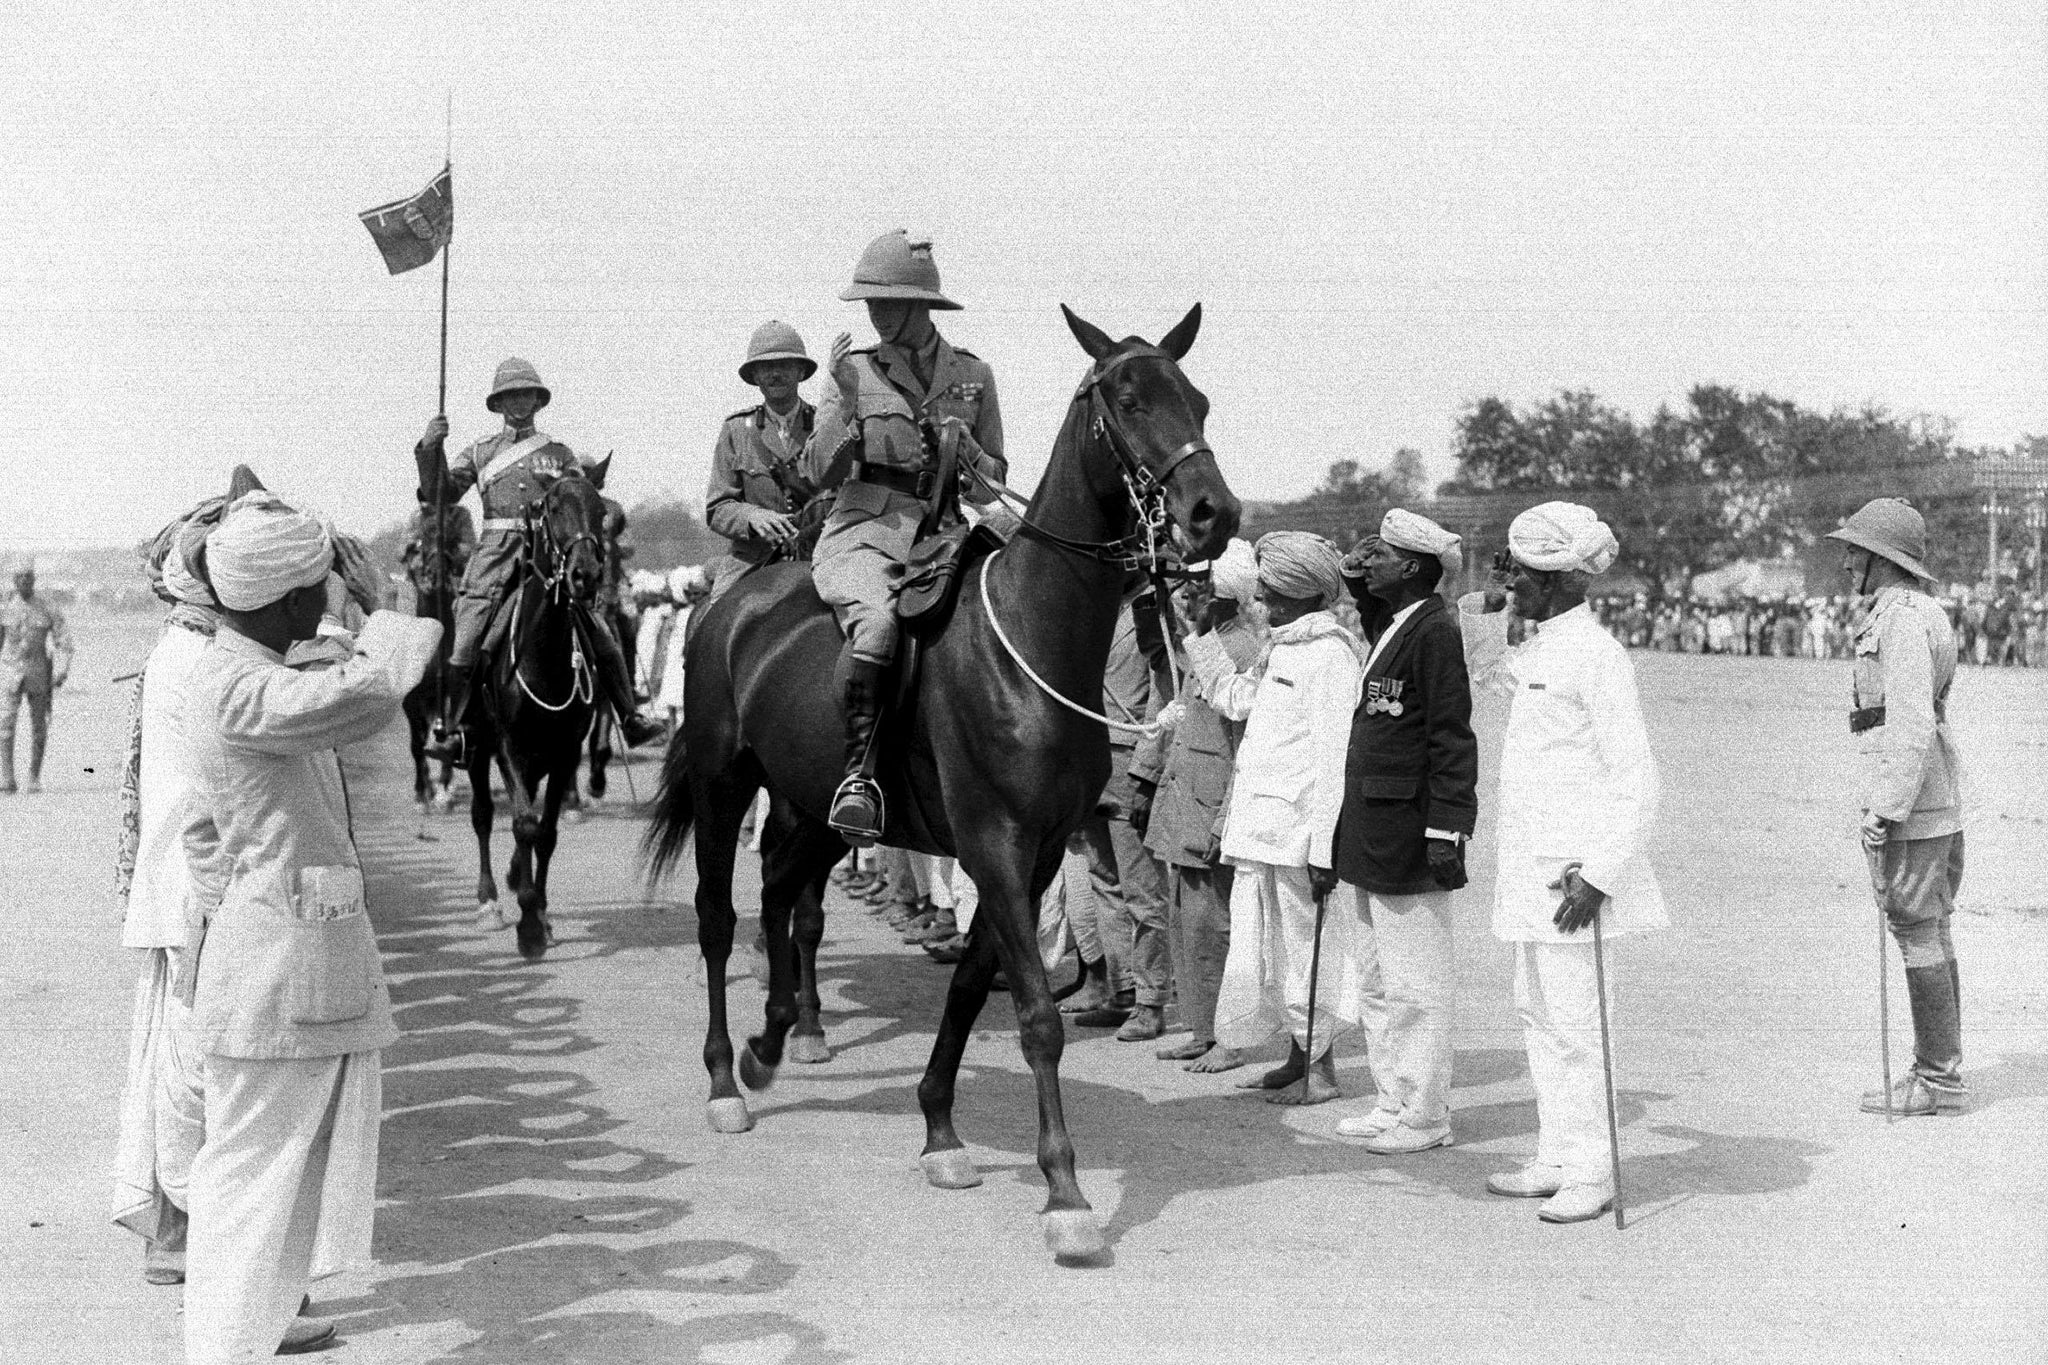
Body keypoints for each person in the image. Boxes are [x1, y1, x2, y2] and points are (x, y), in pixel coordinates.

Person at [175, 486, 440, 1362]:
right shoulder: (246, 688)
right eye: (315, 586)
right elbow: (371, 691)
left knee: (272, 1187)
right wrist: (374, 608)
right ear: (288, 598)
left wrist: (260, 892)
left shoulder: (237, 668)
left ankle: (249, 1332)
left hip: (274, 962)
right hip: (278, 978)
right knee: (253, 1187)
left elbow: (209, 835)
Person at [1459, 501, 1665, 1225]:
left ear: (1558, 580)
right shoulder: (1542, 645)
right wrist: (1486, 607)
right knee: (1538, 1016)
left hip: (1574, 879)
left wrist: (1602, 874)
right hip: (1530, 872)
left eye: (1522, 573)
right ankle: (1555, 1153)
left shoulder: (1596, 654)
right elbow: (1484, 671)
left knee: (1581, 1026)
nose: (1511, 582)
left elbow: (1638, 779)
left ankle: (1593, 1167)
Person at [802, 230, 1008, 840]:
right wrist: (841, 401)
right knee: (881, 622)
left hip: (944, 532)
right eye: (870, 303)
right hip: (863, 531)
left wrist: (969, 450)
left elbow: (992, 483)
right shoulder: (853, 371)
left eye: (887, 302)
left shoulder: (973, 373)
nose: (875, 313)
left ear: (921, 304)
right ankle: (858, 777)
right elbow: (818, 471)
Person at [1184, 532, 1368, 1106]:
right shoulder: (1283, 648)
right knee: (1269, 954)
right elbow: (1235, 700)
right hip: (1260, 830)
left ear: (1295, 594)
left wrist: (1321, 850)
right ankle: (1296, 1058)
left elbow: (1336, 760)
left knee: (1310, 953)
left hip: (1298, 837)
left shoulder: (1331, 655)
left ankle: (1323, 1074)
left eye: (1266, 593)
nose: (1258, 602)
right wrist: (1198, 636)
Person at [413, 357, 662, 761]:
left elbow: (581, 499)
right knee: (465, 646)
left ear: (538, 400)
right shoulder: (479, 452)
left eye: (526, 393)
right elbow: (440, 494)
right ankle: (455, 731)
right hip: (495, 558)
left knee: (603, 636)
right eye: (510, 395)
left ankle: (630, 717)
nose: (519, 401)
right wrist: (430, 447)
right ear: (498, 403)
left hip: (549, 559)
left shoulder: (559, 453)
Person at [1328, 510, 1478, 1156]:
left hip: (1413, 832)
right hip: (1370, 828)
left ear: (1413, 566)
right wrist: (1354, 574)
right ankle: (1392, 1095)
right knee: (1376, 978)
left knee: (1416, 984)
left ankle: (1425, 1112)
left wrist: (1448, 827)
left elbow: (1451, 735)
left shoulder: (1435, 631)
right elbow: (1365, 601)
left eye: (1382, 555)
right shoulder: (1396, 623)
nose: (1371, 562)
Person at [110, 503, 226, 1289]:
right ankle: (194, 1234)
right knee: (192, 1065)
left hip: (184, 885)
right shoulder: (199, 656)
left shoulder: (181, 646)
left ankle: (179, 1227)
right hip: (198, 891)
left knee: (177, 1056)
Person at [1827, 498, 1968, 1115]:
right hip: (1931, 795)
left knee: (1916, 929)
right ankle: (1941, 1072)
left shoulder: (1902, 618)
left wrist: (1886, 808)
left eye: (1856, 549)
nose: (1847, 559)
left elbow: (1909, 721)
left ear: (1882, 558)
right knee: (1929, 928)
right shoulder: (1916, 610)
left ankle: (1936, 1079)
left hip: (1912, 801)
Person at [1129, 539, 1261, 1071]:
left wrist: (1225, 817)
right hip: (1184, 803)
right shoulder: (1205, 646)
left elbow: (1245, 745)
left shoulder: (1244, 651)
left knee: (1215, 929)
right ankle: (1202, 1028)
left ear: (1225, 596)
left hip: (1211, 811)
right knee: (1186, 924)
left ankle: (1226, 1037)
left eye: (1201, 588)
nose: (1190, 595)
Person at [1070, 585, 1176, 1040]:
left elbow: (1166, 688)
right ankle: (1124, 990)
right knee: (1102, 880)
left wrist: (1147, 769)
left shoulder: (1152, 608)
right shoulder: (1091, 603)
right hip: (1085, 758)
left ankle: (1152, 1001)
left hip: (1128, 758)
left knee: (1142, 890)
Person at [705, 321, 823, 600]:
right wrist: (753, 517)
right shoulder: (735, 430)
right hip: (753, 560)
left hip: (820, 554)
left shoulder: (823, 425)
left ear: (800, 371)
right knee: (712, 621)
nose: (775, 373)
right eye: (765, 367)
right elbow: (717, 507)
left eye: (784, 365)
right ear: (755, 376)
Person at [0, 557, 74, 794]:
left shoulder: (46, 607)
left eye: (28, 578)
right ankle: (7, 778)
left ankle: (34, 777)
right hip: (10, 672)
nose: (24, 582)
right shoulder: (5, 607)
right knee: (5, 724)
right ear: (14, 581)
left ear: (34, 579)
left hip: (38, 674)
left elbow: (63, 641)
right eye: (19, 578)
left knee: (39, 726)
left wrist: (62, 669)